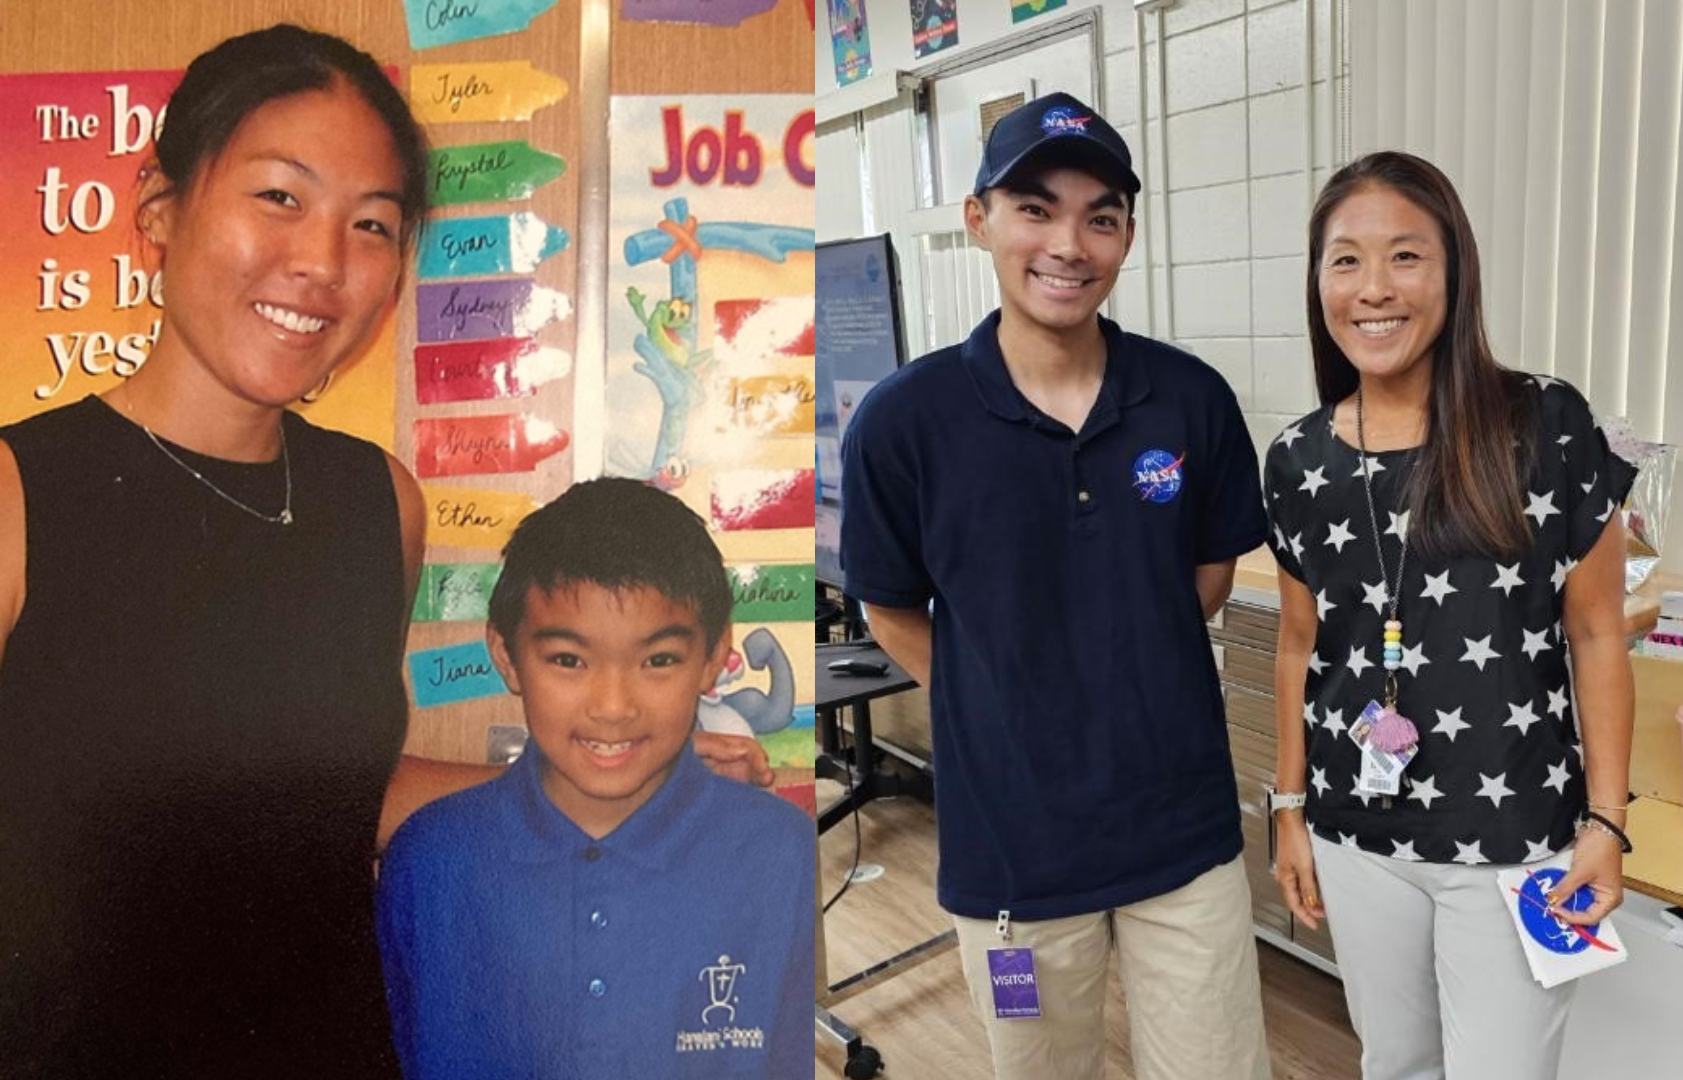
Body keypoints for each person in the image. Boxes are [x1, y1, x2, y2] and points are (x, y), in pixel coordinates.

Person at [0, 25, 767, 1078]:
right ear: (160, 209)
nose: (321, 262)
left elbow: (322, 793)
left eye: (372, 224)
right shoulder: (19, 496)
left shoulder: (374, 502)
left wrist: (595, 774)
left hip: (331, 1042)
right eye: (279, 197)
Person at [840, 92, 1272, 1080]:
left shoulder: (1189, 399)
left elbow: (1206, 571)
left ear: (1126, 234)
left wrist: (1120, 652)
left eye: (1101, 216)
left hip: (1182, 831)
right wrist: (996, 686)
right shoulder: (906, 425)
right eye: (1036, 208)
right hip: (1014, 846)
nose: (1068, 244)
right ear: (979, 218)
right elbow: (889, 603)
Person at [1265, 151, 1635, 1080]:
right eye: (1343, 260)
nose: (1372, 288)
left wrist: (1606, 821)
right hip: (1358, 832)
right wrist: (1287, 811)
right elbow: (1299, 645)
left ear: (1453, 271)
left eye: (1405, 256)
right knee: (1394, 1063)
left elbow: (1595, 631)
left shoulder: (1542, 425)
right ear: (1316, 282)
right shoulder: (1296, 458)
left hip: (1515, 830)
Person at [375, 478, 812, 1080]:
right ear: (506, 657)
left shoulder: (779, 849)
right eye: (568, 660)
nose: (612, 706)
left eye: (658, 660)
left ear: (713, 658)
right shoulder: (427, 860)